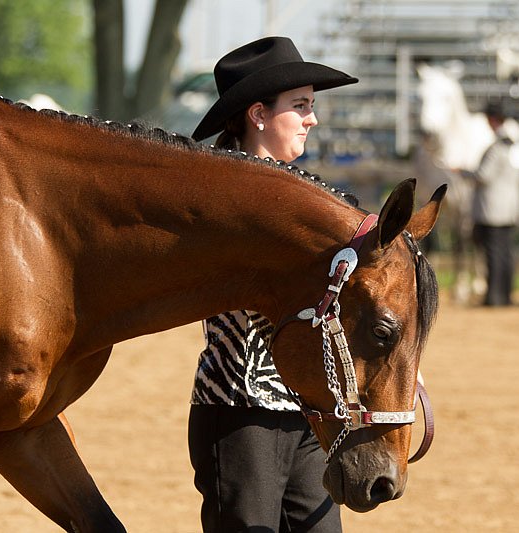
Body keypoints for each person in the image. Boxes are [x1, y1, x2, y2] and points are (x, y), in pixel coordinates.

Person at [187, 36, 357, 532]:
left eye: (312, 106)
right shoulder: (217, 196)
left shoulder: (310, 197)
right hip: (239, 412)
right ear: (259, 114)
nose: (312, 118)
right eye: (301, 106)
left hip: (306, 414)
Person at [464, 102, 519, 306]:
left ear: (492, 120)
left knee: (493, 252)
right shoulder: (518, 146)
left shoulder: (496, 148)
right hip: (511, 206)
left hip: (492, 208)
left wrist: (464, 172)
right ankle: (505, 294)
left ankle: (493, 296)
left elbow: (483, 176)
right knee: (506, 252)